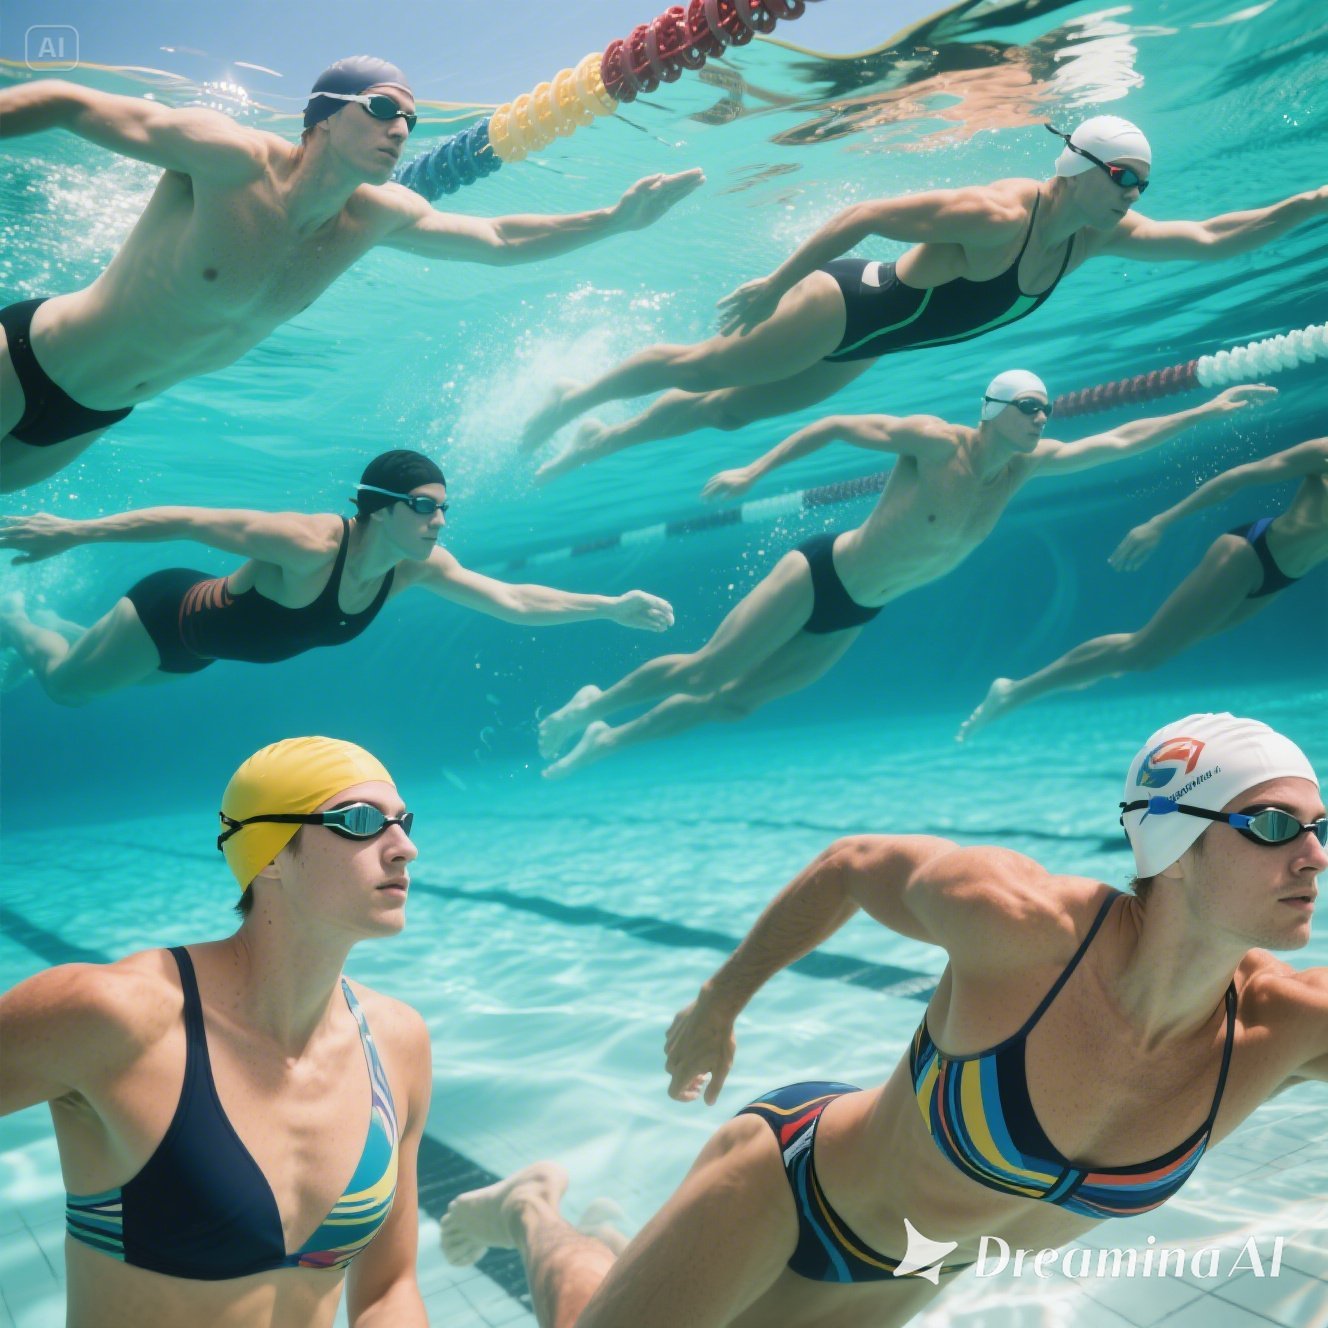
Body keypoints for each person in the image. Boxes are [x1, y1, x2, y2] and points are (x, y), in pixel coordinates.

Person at [440, 712, 1327, 1328]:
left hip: (908, 1277)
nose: (1313, 856)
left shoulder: (1284, 1028)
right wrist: (719, 1004)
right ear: (1171, 838)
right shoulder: (1020, 925)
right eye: (1277, 825)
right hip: (791, 1198)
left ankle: (595, 1245)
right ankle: (530, 1211)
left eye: (1321, 826)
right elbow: (852, 865)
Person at [0, 56, 704, 491]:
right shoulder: (229, 159)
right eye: (382, 110)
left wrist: (613, 220)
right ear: (324, 120)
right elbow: (71, 103)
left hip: (94, 415)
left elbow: (494, 236)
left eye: (411, 119)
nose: (401, 129)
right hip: (30, 358)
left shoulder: (375, 217)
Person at [519, 113, 1325, 482]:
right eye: (1123, 179)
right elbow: (865, 216)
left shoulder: (1099, 236)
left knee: (730, 411)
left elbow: (1220, 235)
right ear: (1079, 168)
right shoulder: (998, 212)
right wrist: (773, 284)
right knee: (704, 369)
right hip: (845, 305)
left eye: (1143, 185)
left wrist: (1314, 201)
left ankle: (597, 443)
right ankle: (572, 399)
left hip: (874, 345)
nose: (1135, 195)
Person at [535, 374, 1271, 777]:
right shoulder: (932, 441)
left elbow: (1118, 438)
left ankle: (606, 739)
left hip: (861, 610)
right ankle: (589, 703)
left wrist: (1203, 409)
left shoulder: (1022, 468)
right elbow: (833, 426)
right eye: (1028, 407)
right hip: (821, 572)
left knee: (736, 705)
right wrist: (755, 470)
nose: (1042, 418)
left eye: (1046, 408)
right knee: (705, 672)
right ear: (991, 412)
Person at [0, 736, 436, 1327]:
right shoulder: (115, 1015)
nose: (404, 848)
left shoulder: (398, 1042)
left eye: (403, 822)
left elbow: (388, 1290)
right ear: (271, 853)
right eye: (361, 821)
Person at [0, 448, 673, 705]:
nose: (439, 521)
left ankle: (57, 626)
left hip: (202, 651)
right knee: (65, 687)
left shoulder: (414, 568)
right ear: (379, 510)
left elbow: (515, 600)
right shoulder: (310, 543)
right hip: (165, 617)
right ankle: (16, 619)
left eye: (444, 508)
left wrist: (609, 605)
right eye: (424, 507)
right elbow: (189, 519)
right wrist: (72, 531)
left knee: (94, 664)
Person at [959, 435, 1328, 740]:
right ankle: (1014, 692)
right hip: (1249, 555)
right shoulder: (1323, 452)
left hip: (1282, 575)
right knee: (1145, 653)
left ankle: (1087, 668)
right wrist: (1160, 522)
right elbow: (1237, 478)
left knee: (1142, 650)